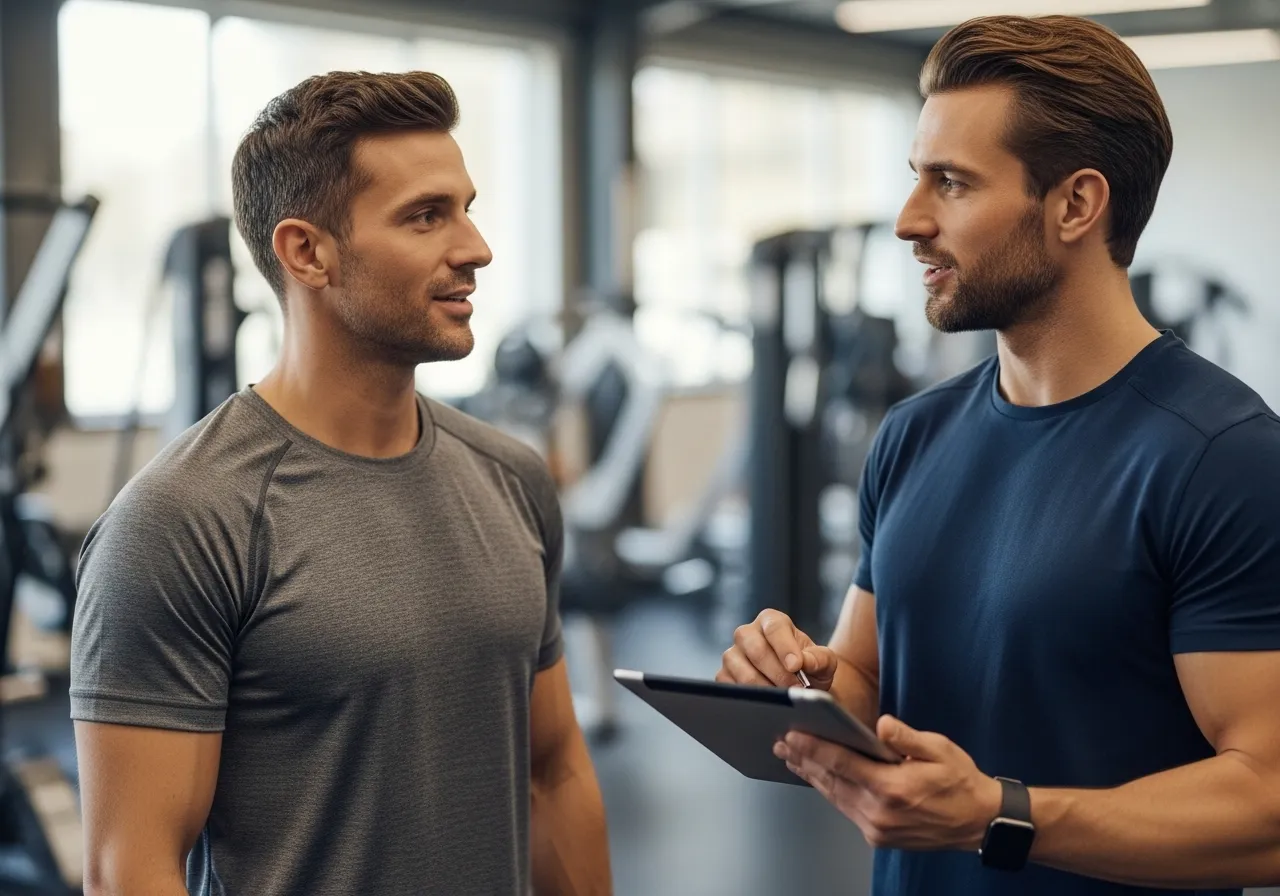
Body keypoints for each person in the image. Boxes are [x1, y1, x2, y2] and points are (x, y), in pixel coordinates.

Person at [718, 14, 1280, 896]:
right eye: (917, 179)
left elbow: (1269, 803)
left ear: (1075, 205)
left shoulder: (1223, 460)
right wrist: (803, 682)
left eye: (951, 184)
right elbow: (865, 677)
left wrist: (998, 815)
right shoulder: (912, 436)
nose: (910, 221)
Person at [70, 70, 611, 895]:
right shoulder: (184, 519)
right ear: (307, 252)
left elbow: (553, 772)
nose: (475, 247)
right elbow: (129, 869)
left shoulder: (513, 480)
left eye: (467, 207)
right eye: (427, 216)